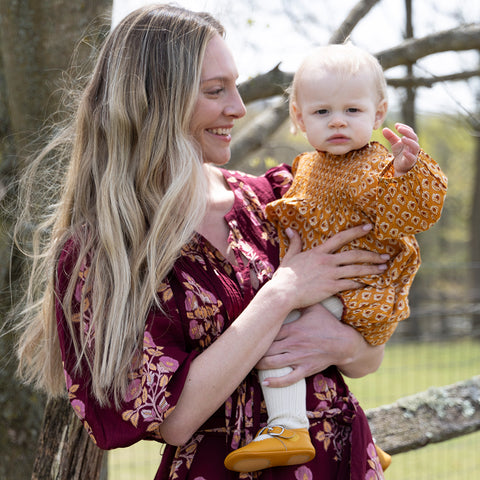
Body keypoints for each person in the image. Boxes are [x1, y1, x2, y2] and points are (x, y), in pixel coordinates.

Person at [15, 5, 393, 479]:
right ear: (155, 102)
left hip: (339, 462)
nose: (238, 106)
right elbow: (174, 418)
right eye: (216, 91)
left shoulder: (274, 202)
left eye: (236, 85)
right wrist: (283, 292)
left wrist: (341, 344)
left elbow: (368, 357)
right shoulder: (103, 251)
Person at [224, 43, 447, 473]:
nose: (339, 120)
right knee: (303, 344)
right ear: (299, 118)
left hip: (358, 284)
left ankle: (287, 426)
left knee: (278, 329)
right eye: (323, 112)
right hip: (330, 282)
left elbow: (414, 212)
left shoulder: (375, 167)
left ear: (378, 115)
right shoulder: (310, 163)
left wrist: (409, 172)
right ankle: (355, 431)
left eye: (353, 110)